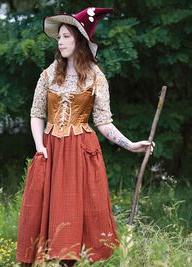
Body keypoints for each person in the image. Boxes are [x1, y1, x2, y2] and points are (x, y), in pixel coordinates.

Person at [16, 7, 154, 267]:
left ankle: (68, 262)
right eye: (59, 37)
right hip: (50, 150)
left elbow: (103, 121)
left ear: (80, 41)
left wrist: (131, 145)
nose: (60, 41)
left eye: (66, 36)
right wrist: (39, 146)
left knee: (73, 212)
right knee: (40, 210)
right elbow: (36, 114)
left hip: (80, 152)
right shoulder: (48, 74)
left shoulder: (96, 77)